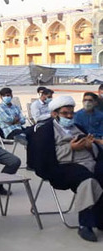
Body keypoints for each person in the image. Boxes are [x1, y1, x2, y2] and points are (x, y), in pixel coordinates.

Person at [28, 96, 103, 242]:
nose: (69, 116)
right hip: (63, 167)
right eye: (65, 113)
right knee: (88, 181)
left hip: (88, 162)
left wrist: (90, 146)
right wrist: (71, 148)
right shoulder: (45, 132)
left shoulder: (77, 127)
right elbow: (45, 156)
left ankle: (100, 220)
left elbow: (94, 148)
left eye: (71, 113)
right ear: (54, 114)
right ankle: (85, 224)